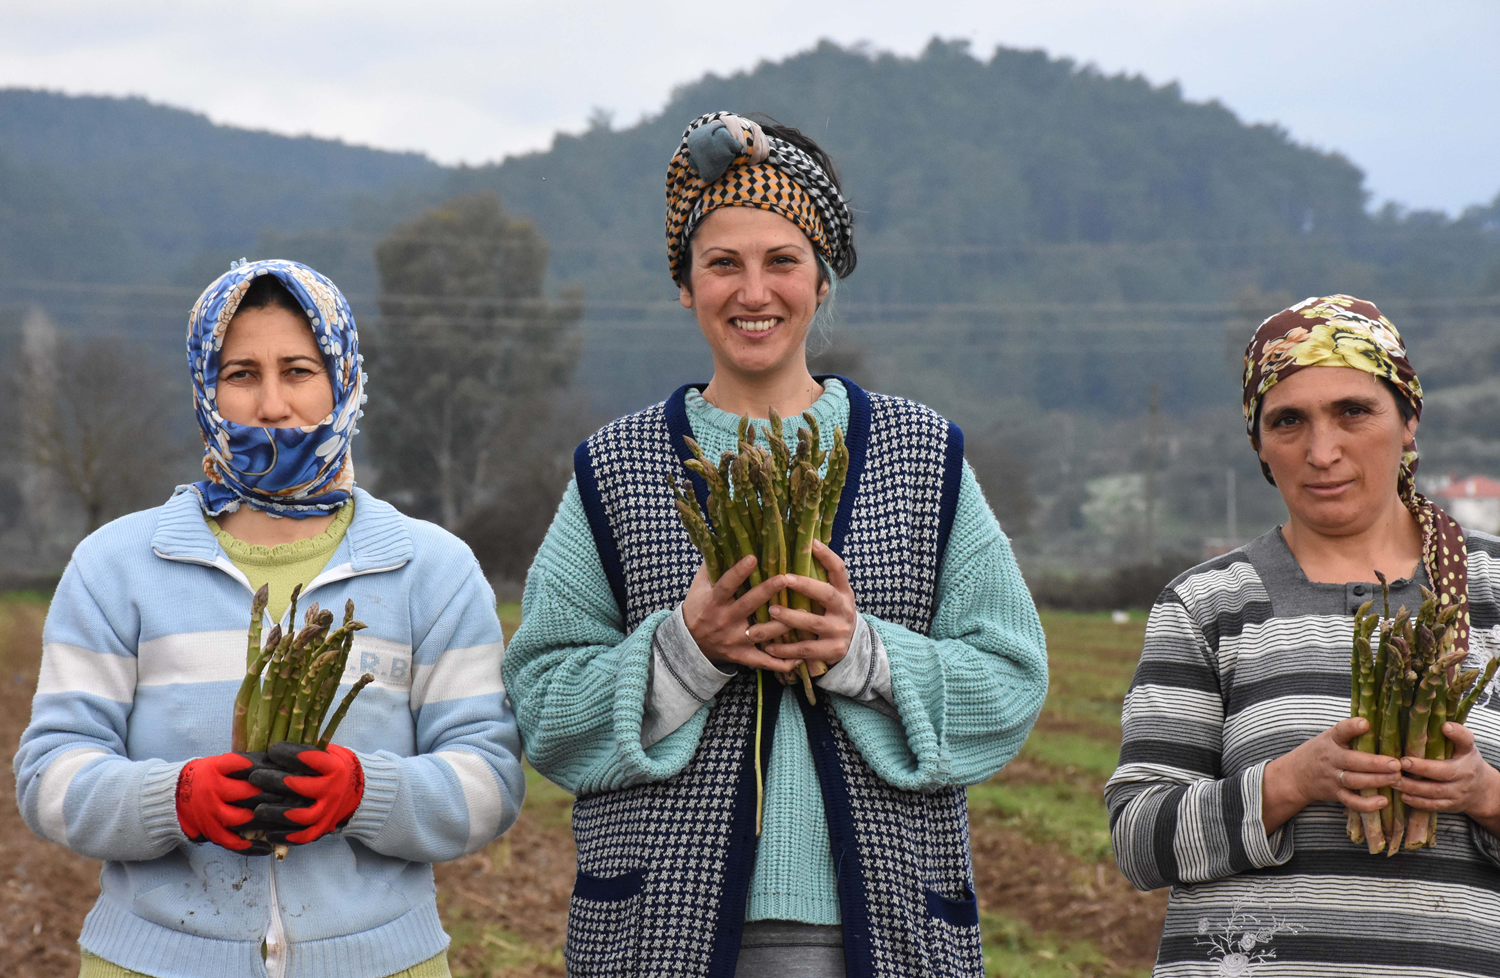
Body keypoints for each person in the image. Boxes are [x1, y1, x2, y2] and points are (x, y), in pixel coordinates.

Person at [504, 111, 1049, 977]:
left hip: (892, 931)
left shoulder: (919, 455)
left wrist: (861, 655)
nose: (753, 292)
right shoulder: (617, 468)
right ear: (685, 284)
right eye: (722, 263)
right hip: (659, 938)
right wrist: (687, 651)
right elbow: (540, 704)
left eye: (783, 261)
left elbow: (1012, 679)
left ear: (823, 279)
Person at [15, 260, 525, 978]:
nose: (273, 405)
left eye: (298, 370)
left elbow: (490, 785)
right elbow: (49, 780)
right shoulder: (116, 565)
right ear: (206, 388)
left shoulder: (429, 570)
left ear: (342, 378)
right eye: (242, 374)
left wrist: (363, 792)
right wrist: (176, 800)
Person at [1106, 295, 1500, 976]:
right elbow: (1141, 842)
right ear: (1259, 445)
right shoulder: (1206, 606)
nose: (1323, 452)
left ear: (1409, 421)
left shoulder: (1492, 591)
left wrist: (1482, 794)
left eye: (1354, 410)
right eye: (1288, 421)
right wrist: (1291, 780)